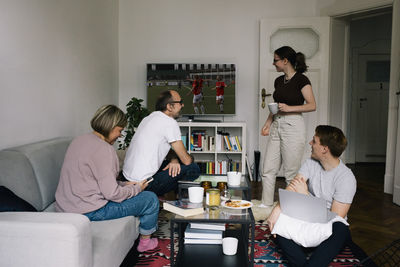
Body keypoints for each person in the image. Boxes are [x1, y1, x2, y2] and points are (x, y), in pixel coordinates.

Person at [55, 105, 159, 252]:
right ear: (111, 126)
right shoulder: (105, 149)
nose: (120, 135)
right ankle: (145, 243)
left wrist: (124, 184)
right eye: (120, 130)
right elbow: (112, 195)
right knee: (150, 199)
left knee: (137, 193)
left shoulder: (79, 140)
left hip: (65, 207)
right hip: (89, 211)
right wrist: (137, 188)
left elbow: (93, 180)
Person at [267, 125, 357, 266]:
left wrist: (305, 195)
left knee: (340, 228)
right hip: (306, 216)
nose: (310, 143)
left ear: (324, 149)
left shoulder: (346, 178)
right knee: (280, 219)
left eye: (314, 141)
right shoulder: (310, 163)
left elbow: (334, 216)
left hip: (328, 225)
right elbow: (293, 187)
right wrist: (276, 210)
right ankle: (300, 262)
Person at [260, 46, 317, 208]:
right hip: (277, 123)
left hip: (293, 125)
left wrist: (290, 108)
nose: (273, 63)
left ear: (285, 61)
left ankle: (290, 209)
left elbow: (312, 105)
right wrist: (268, 123)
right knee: (268, 169)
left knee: (291, 172)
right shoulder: (278, 80)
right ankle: (266, 206)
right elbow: (276, 106)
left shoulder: (302, 80)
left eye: (275, 60)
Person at [123, 90, 200, 196]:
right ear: (169, 106)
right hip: (143, 185)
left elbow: (158, 149)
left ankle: (166, 198)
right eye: (180, 102)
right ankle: (180, 204)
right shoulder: (169, 123)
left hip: (127, 178)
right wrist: (187, 158)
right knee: (193, 168)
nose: (182, 105)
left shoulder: (148, 118)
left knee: (175, 164)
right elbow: (186, 160)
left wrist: (174, 159)